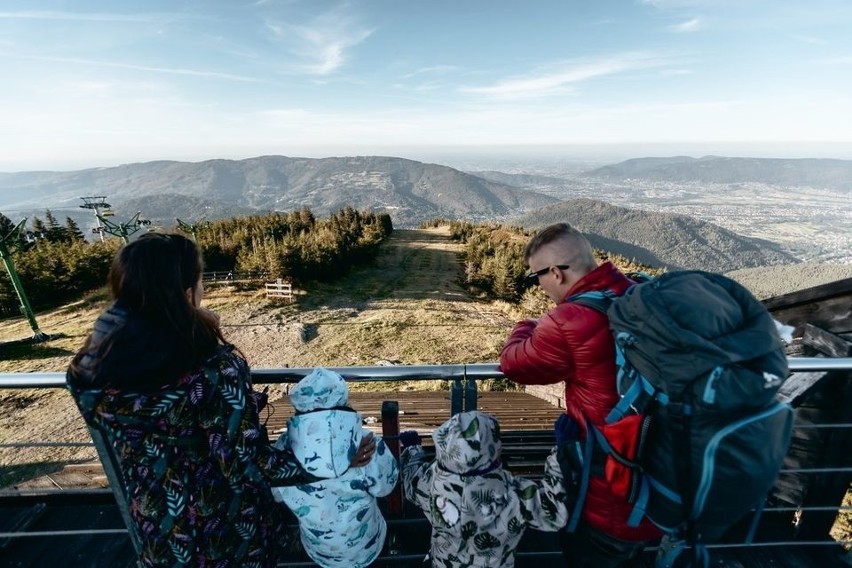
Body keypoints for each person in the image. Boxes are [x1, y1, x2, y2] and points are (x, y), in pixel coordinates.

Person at [66, 232, 376, 567]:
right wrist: (335, 461)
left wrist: (190, 321)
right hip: (223, 530)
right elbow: (247, 467)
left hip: (158, 525)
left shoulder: (91, 369)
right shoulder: (214, 370)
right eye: (199, 283)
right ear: (186, 294)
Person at [499, 222, 661, 568]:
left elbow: (514, 364)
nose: (539, 285)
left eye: (535, 277)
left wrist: (524, 326)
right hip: (666, 481)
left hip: (609, 496)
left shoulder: (569, 320)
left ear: (555, 273)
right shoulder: (641, 292)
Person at [399, 410, 568, 568]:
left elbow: (411, 482)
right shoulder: (514, 494)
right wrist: (561, 453)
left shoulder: (431, 483)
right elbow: (554, 513)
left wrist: (412, 448)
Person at [271, 367, 398, 568]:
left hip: (320, 550)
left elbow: (276, 494)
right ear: (343, 400)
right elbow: (386, 487)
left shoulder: (282, 450)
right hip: (366, 545)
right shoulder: (366, 443)